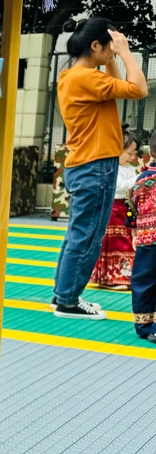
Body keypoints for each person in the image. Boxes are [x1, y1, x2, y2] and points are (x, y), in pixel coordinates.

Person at [51, 18, 148, 318]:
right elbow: (139, 89)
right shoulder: (87, 78)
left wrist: (113, 57)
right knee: (88, 237)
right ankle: (68, 301)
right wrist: (126, 52)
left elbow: (119, 89)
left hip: (84, 164)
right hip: (96, 166)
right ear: (95, 45)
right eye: (109, 47)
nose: (113, 51)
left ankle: (63, 294)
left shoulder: (73, 76)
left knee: (77, 234)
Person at [92, 130, 140, 289]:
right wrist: (136, 180)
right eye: (129, 153)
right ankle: (112, 278)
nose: (132, 158)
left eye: (134, 154)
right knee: (115, 243)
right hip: (114, 210)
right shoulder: (113, 168)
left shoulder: (129, 169)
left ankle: (122, 276)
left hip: (126, 209)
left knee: (126, 242)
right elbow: (117, 188)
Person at [129, 136, 156, 343]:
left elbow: (131, 207)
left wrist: (134, 233)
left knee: (143, 280)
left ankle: (143, 324)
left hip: (147, 238)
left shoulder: (141, 179)